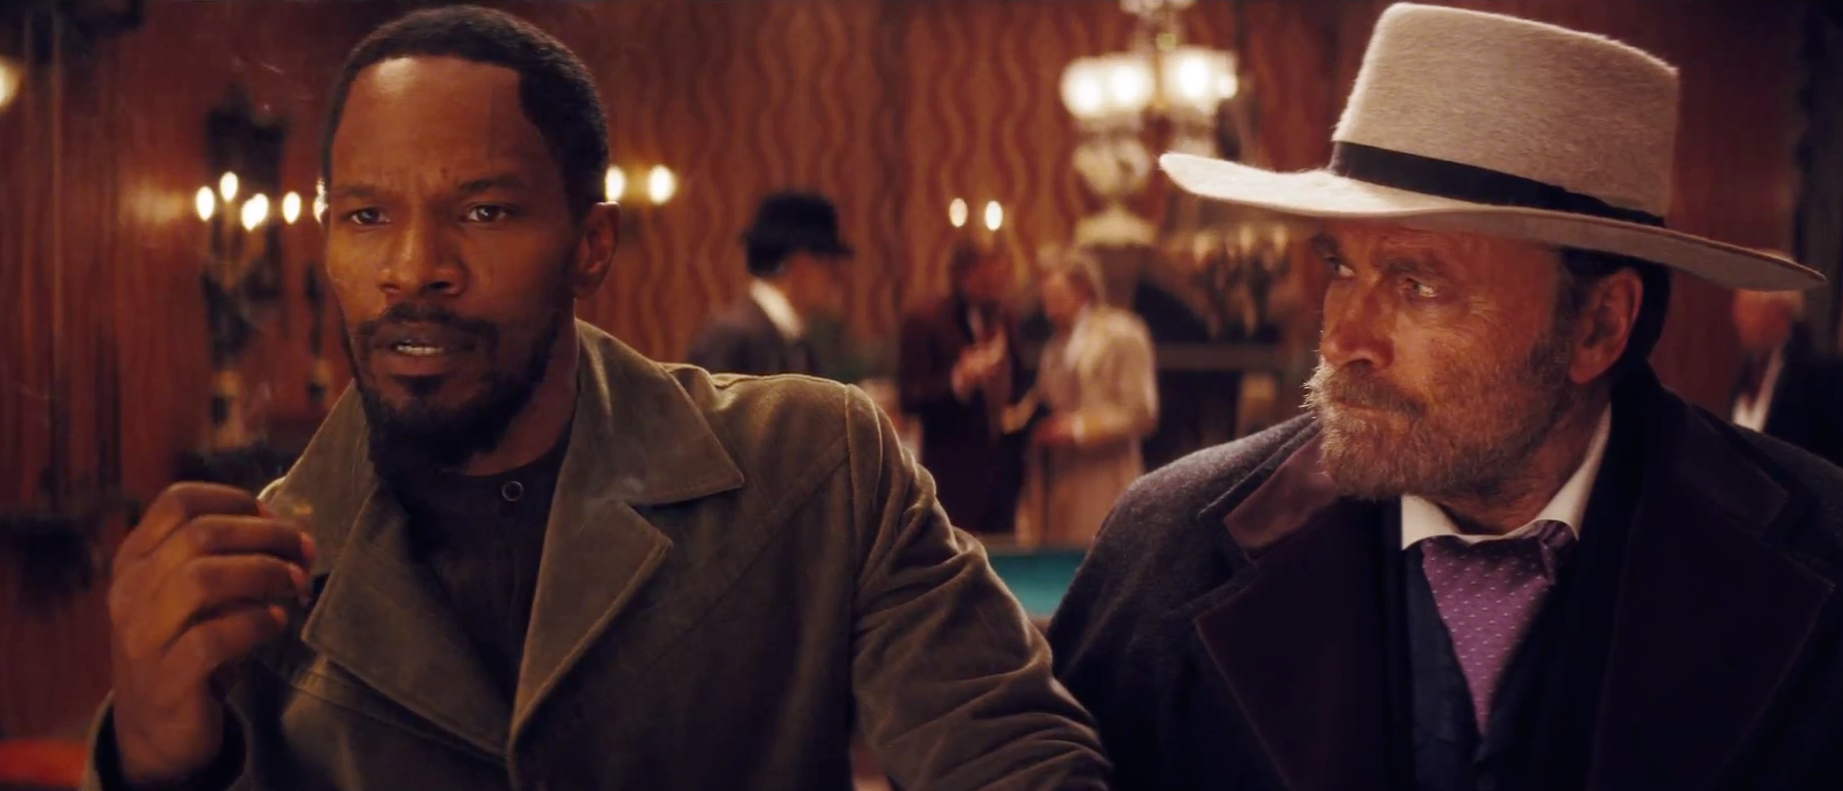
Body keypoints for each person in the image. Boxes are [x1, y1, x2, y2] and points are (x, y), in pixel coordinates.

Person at [86, 7, 1107, 791]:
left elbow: (1019, 757)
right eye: (366, 215)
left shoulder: (818, 465)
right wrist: (148, 761)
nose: (413, 266)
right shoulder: (253, 580)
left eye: (485, 210)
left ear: (592, 245)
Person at [1047, 5, 1843, 790]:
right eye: (1340, 266)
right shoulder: (1168, 552)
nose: (1344, 338)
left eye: (1417, 284)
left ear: (1598, 326)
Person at [1005, 250, 1158, 547]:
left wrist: (1077, 428)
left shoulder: (1124, 335)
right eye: (1045, 300)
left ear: (1082, 289)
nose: (1048, 310)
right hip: (1060, 486)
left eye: (1056, 297)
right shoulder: (1054, 348)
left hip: (1106, 477)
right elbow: (1039, 401)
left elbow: (1141, 411)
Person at [898, 234, 1031, 536]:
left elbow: (1019, 388)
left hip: (1004, 479)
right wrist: (959, 381)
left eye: (999, 277)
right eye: (985, 278)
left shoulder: (1008, 320)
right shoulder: (926, 321)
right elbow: (910, 397)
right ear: (961, 274)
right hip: (953, 478)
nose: (994, 287)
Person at [684, 191, 851, 377]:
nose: (837, 279)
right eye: (830, 266)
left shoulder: (794, 341)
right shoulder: (732, 338)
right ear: (802, 264)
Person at [1730, 287, 1843, 477]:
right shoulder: (1747, 371)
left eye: (1749, 309)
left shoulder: (1826, 373)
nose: (1738, 318)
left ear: (1780, 312)